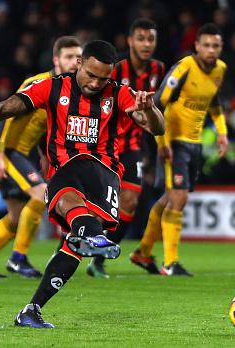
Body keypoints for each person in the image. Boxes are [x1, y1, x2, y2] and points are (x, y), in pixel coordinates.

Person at [0, 40, 165, 328]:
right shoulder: (51, 87)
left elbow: (156, 126)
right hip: (65, 171)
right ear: (79, 63)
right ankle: (89, 234)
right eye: (91, 75)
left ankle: (31, 309)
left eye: (103, 78)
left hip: (104, 175)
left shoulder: (119, 94)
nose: (96, 83)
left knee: (74, 245)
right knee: (68, 194)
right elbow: (1, 110)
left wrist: (151, 109)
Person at [0, 36, 82, 278]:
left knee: (16, 217)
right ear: (56, 59)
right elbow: (6, 112)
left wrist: (41, 154)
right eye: (69, 57)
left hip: (21, 154)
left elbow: (41, 126)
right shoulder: (38, 82)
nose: (74, 62)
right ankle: (18, 259)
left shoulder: (66, 90)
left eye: (78, 58)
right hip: (5, 150)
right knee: (42, 193)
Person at [131, 23, 228, 277]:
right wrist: (161, 144)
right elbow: (158, 104)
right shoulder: (185, 67)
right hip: (173, 142)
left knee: (169, 199)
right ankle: (170, 263)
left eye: (215, 45)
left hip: (194, 144)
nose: (210, 50)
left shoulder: (220, 70)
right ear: (196, 46)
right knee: (179, 199)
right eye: (205, 45)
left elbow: (214, 103)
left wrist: (222, 133)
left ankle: (143, 252)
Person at [87, 18, 166, 279]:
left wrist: (161, 143)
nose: (146, 44)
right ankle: (67, 245)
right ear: (130, 41)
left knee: (130, 203)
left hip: (132, 145)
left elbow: (158, 112)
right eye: (141, 38)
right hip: (105, 143)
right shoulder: (115, 70)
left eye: (151, 39)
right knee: (96, 205)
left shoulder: (158, 69)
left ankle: (99, 258)